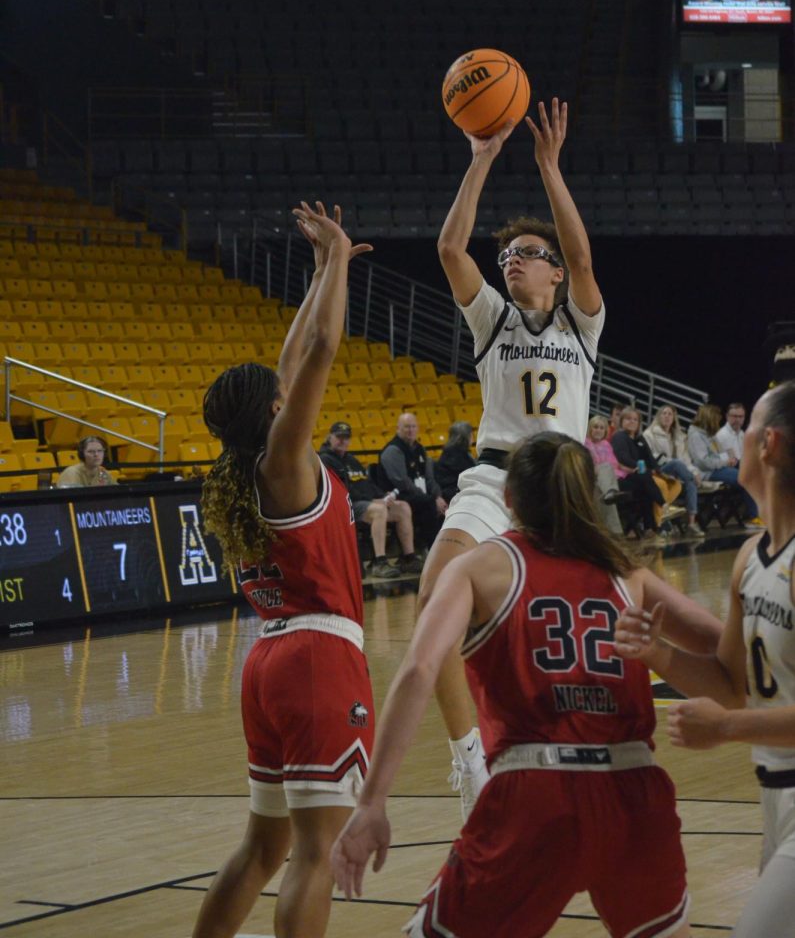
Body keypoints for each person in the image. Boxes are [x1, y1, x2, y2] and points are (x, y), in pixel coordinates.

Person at [331, 431, 724, 938]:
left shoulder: (480, 567)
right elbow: (731, 654)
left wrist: (371, 804)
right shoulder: (630, 575)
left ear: (509, 498)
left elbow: (419, 670)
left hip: (536, 794)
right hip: (634, 792)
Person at [191, 201, 374, 938]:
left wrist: (327, 266)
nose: (286, 381)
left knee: (262, 847)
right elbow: (322, 349)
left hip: (266, 661)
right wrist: (331, 278)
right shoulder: (286, 462)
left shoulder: (249, 470)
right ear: (273, 409)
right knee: (314, 852)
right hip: (316, 662)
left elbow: (294, 358)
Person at [428, 97, 606, 817]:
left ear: (555, 273)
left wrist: (546, 165)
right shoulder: (492, 318)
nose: (510, 262)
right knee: (436, 596)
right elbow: (449, 249)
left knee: (558, 638)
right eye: (505, 256)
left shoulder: (580, 320)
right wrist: (478, 162)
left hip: (559, 486)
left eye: (525, 255)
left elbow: (584, 252)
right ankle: (468, 759)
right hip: (493, 474)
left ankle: (566, 755)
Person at [614, 382, 795, 938]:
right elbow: (731, 683)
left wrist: (728, 729)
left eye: (746, 434)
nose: (735, 443)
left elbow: (731, 712)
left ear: (768, 444)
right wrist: (658, 653)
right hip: (775, 792)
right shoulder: (751, 557)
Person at [318, 420, 422, 578]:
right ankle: (380, 563)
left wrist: (383, 496)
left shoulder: (351, 460)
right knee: (379, 510)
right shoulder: (325, 460)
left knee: (403, 507)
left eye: (345, 438)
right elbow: (342, 491)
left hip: (364, 502)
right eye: (338, 437)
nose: (342, 441)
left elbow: (367, 483)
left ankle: (408, 558)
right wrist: (375, 501)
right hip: (344, 506)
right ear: (329, 437)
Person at [611, 405, 683, 546]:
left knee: (650, 491)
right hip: (624, 477)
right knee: (644, 477)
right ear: (622, 421)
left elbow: (650, 458)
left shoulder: (639, 438)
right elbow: (623, 458)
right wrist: (644, 468)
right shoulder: (619, 437)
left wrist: (657, 470)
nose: (632, 422)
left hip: (641, 478)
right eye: (628, 419)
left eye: (635, 419)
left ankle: (650, 530)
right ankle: (664, 507)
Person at [376, 412, 447, 550]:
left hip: (418, 493)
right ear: (398, 428)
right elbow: (403, 483)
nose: (411, 430)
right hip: (397, 494)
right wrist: (431, 498)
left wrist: (438, 496)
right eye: (407, 427)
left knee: (444, 502)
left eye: (413, 427)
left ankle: (441, 547)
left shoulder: (420, 449)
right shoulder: (393, 450)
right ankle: (432, 549)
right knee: (428, 503)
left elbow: (429, 478)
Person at [687, 403, 759, 523]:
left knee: (754, 471)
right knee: (745, 478)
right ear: (709, 418)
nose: (718, 421)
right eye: (716, 419)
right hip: (707, 472)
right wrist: (725, 461)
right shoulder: (696, 436)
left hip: (718, 467)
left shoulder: (709, 434)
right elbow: (703, 463)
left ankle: (760, 512)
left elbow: (722, 452)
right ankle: (753, 516)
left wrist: (729, 460)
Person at [643, 405, 706, 540]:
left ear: (674, 418)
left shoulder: (680, 437)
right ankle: (691, 479)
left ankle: (691, 523)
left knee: (690, 483)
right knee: (677, 464)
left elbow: (686, 460)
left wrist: (694, 472)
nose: (667, 416)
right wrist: (672, 462)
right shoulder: (649, 434)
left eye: (670, 414)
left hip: (678, 473)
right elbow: (650, 456)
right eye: (664, 413)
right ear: (659, 416)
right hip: (659, 469)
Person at [584, 414, 625, 536]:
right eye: (595, 427)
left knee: (604, 496)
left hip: (602, 481)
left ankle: (615, 533)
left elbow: (615, 465)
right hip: (589, 476)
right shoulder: (584, 442)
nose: (598, 430)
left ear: (605, 431)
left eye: (602, 428)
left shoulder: (606, 445)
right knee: (605, 468)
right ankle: (611, 492)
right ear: (590, 429)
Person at [434, 420, 476, 504]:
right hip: (456, 496)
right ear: (465, 436)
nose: (473, 436)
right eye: (471, 434)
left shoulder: (455, 452)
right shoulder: (455, 455)